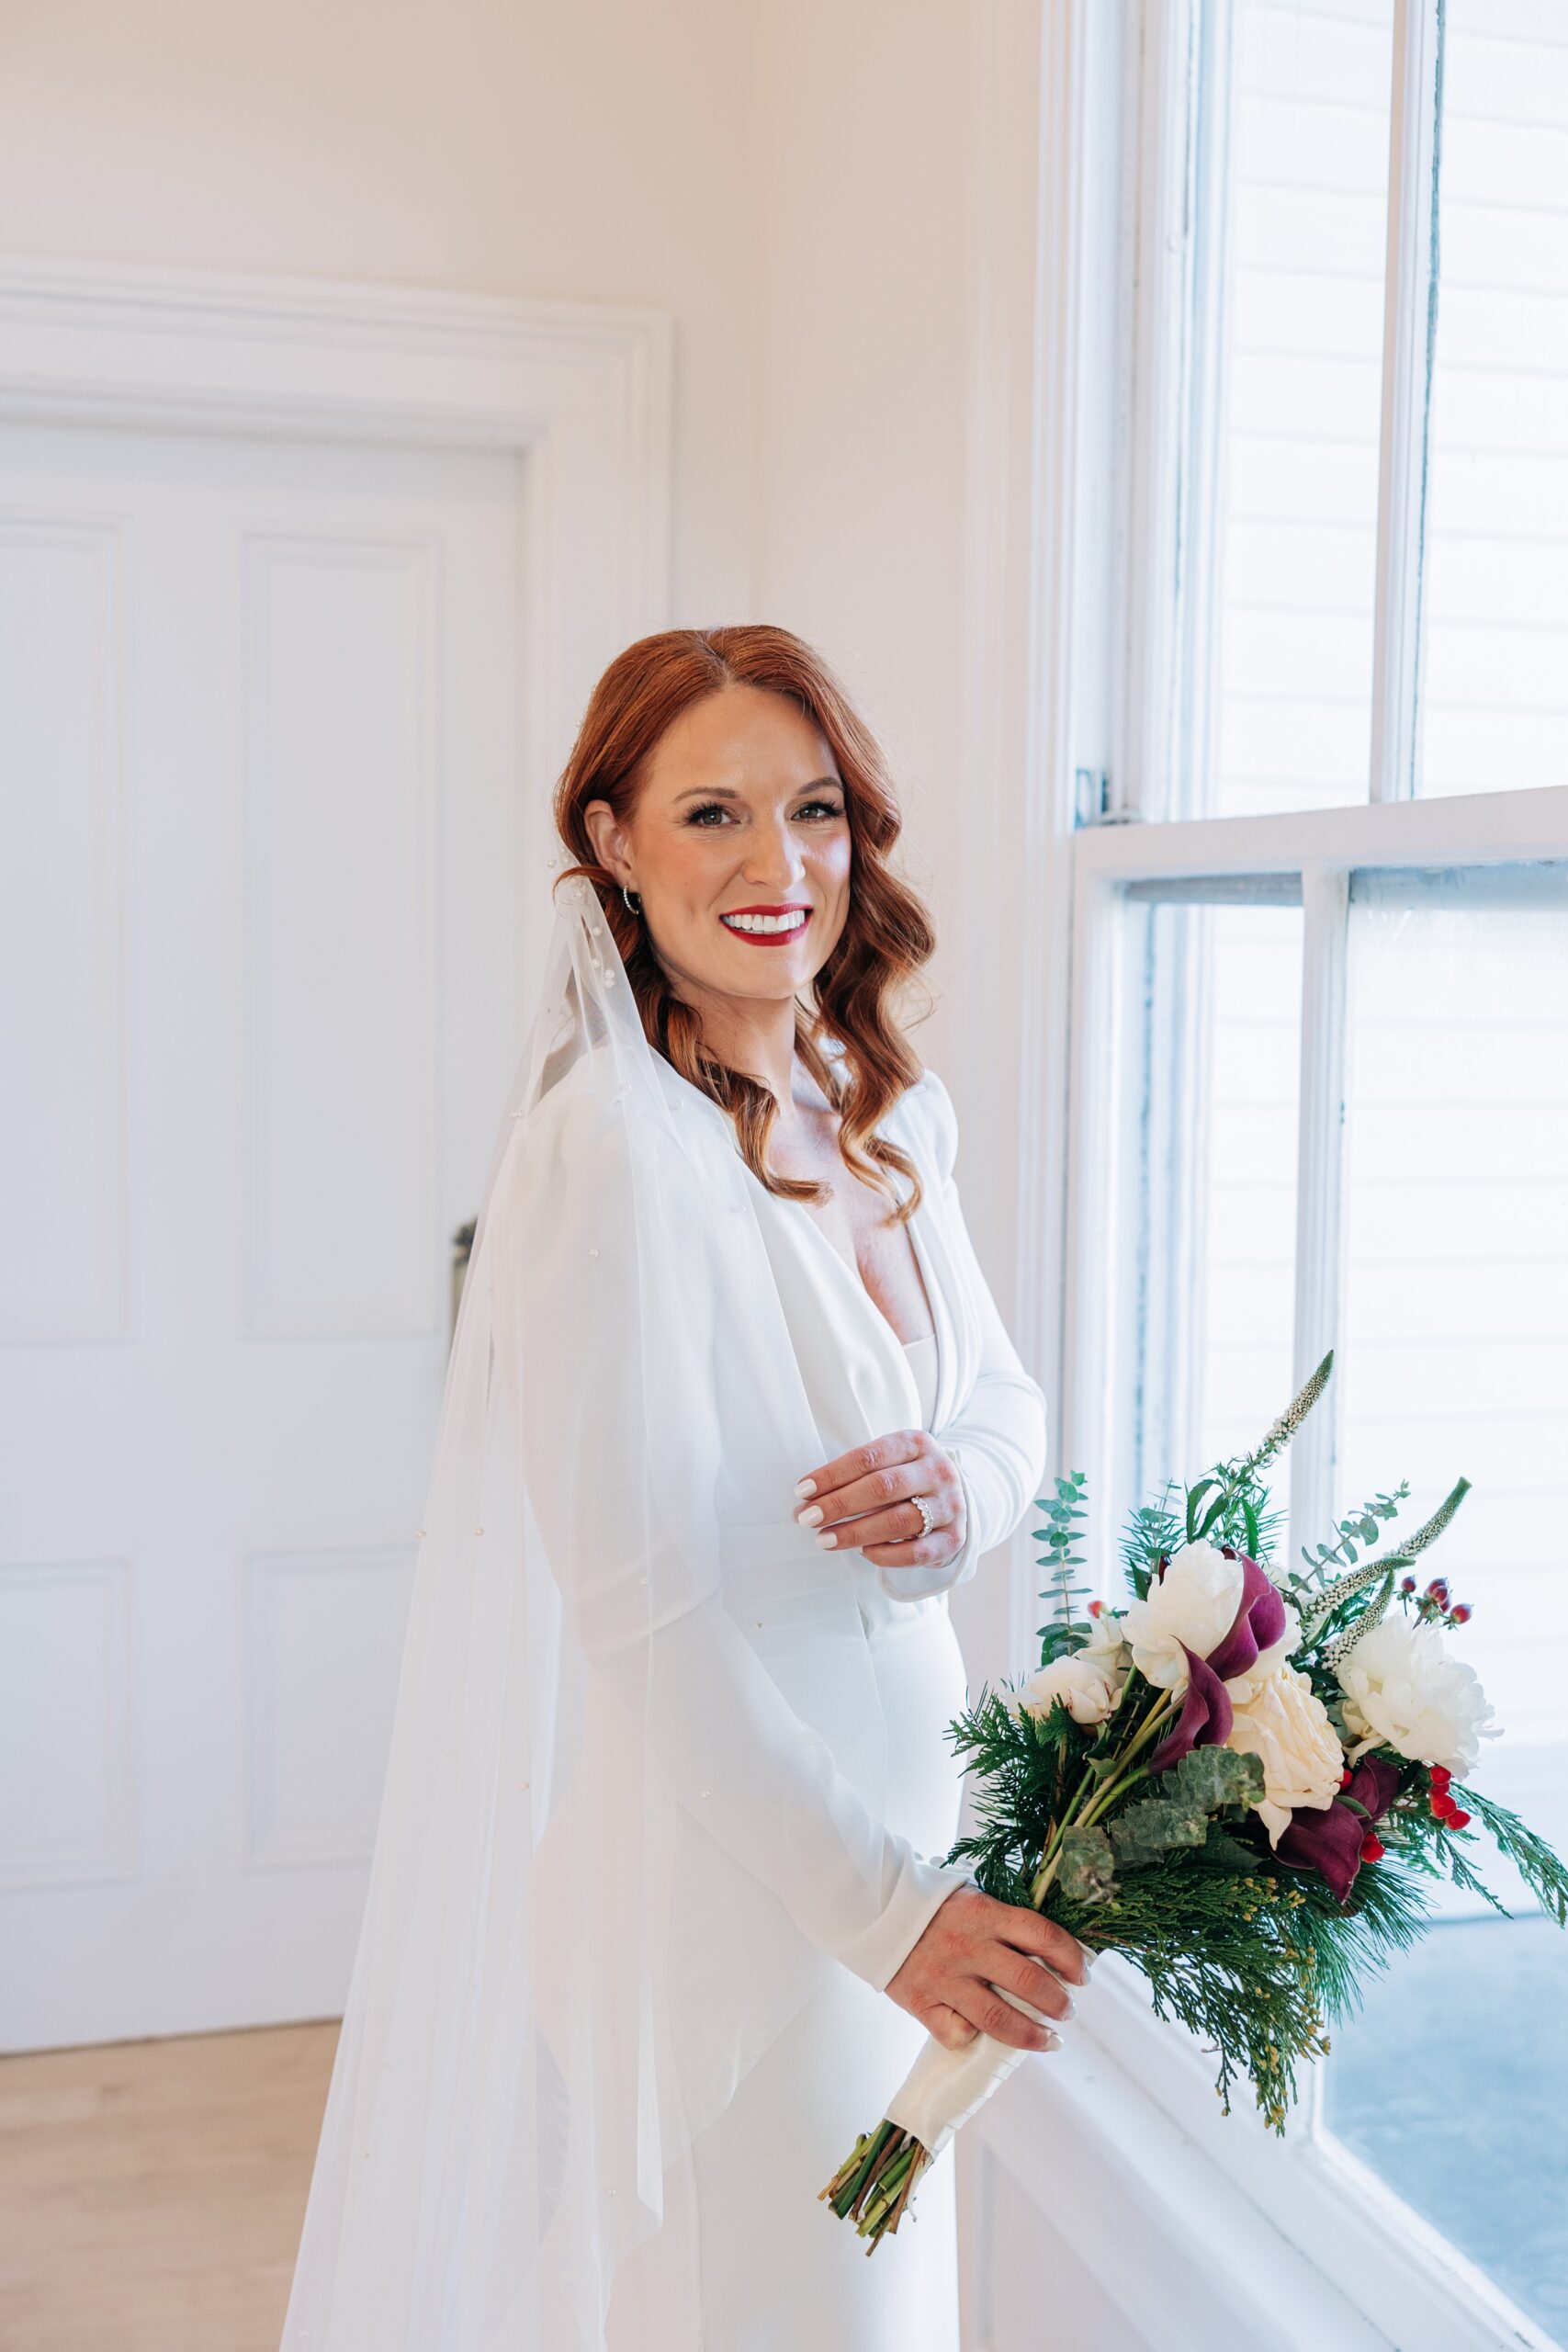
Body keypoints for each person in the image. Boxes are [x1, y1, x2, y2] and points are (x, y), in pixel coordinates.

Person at [279, 626, 1088, 2352]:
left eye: (813, 809)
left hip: (906, 1841)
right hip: (745, 1888)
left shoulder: (878, 1103)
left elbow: (1008, 1398)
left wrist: (966, 1487)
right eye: (710, 812)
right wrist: (890, 1910)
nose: (775, 865)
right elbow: (640, 1602)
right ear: (612, 844)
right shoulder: (610, 1150)